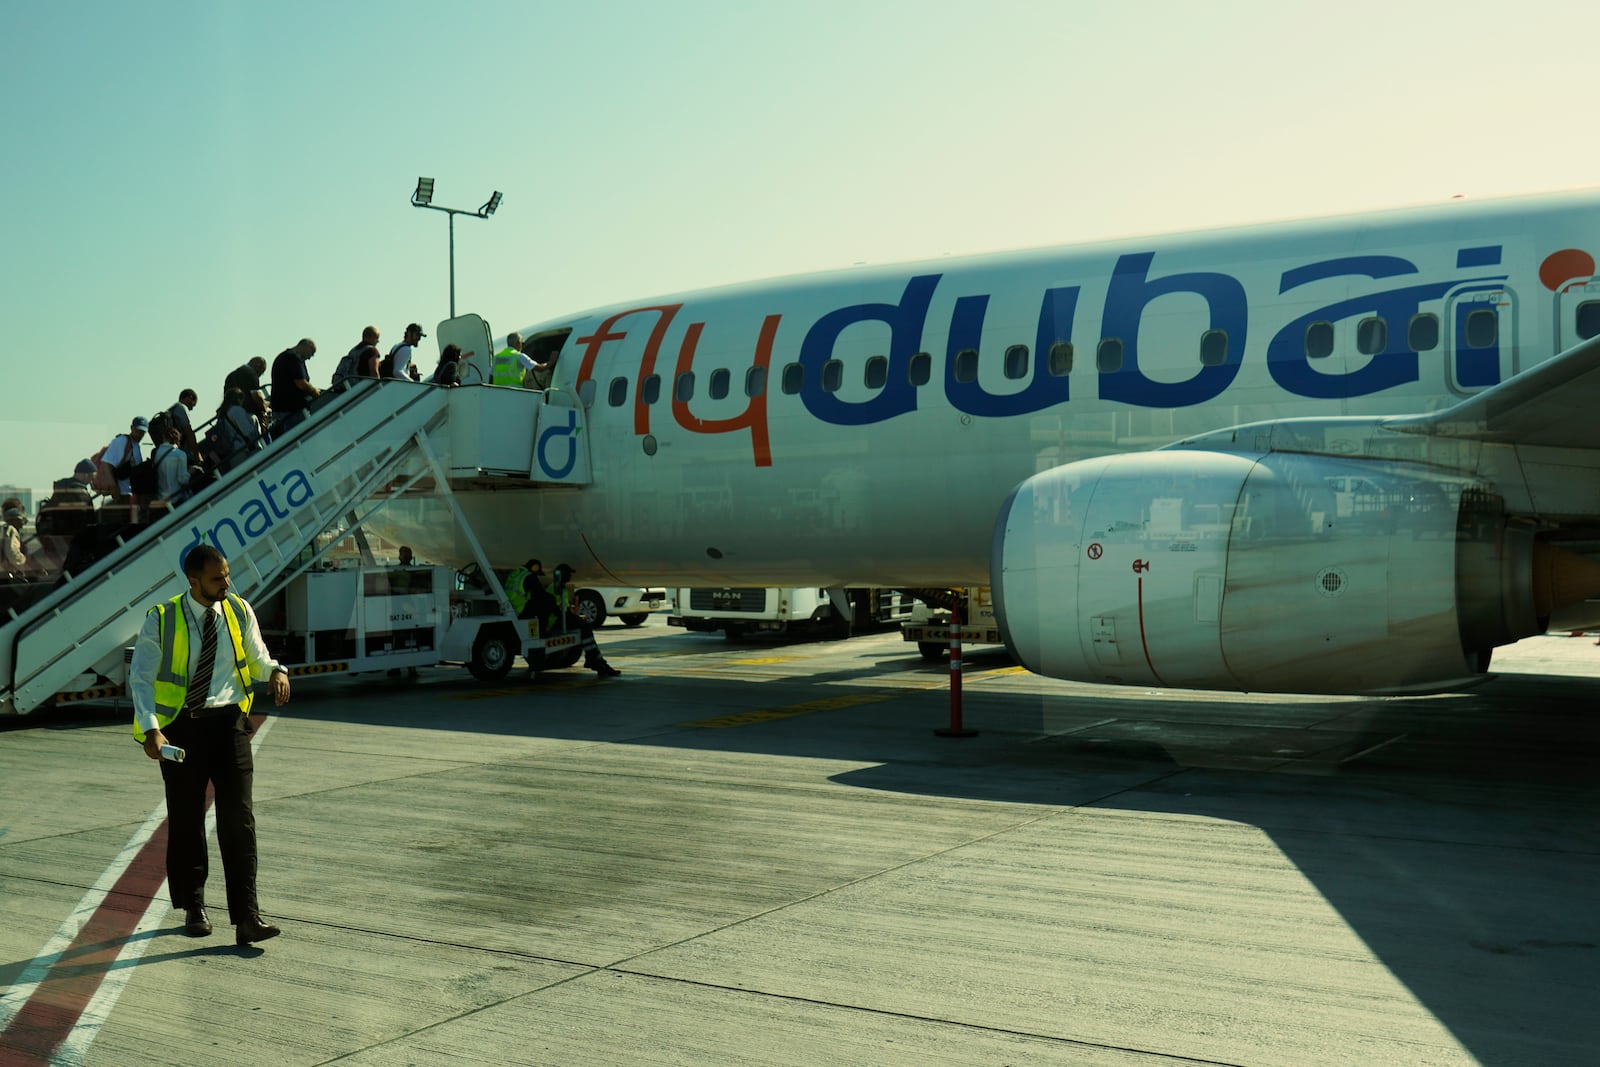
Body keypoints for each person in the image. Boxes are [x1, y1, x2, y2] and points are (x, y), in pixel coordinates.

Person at [130, 544, 290, 946]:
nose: (226, 582)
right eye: (217, 577)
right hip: (182, 728)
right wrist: (152, 729)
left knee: (239, 820)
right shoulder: (162, 619)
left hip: (230, 724)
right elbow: (142, 679)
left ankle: (247, 916)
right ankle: (194, 905)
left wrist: (274, 671)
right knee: (186, 819)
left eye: (227, 574)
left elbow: (257, 656)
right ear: (193, 580)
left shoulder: (237, 610)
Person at [547, 563, 620, 677]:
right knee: (585, 628)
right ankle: (595, 660)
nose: (570, 577)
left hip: (561, 619)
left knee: (584, 627)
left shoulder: (562, 589)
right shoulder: (555, 589)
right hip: (555, 621)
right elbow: (555, 610)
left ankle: (596, 660)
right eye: (568, 574)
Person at [98, 416, 149, 525]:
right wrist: (114, 487)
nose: (139, 434)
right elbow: (107, 464)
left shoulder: (135, 445)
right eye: (137, 431)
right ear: (131, 428)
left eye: (142, 432)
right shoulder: (122, 441)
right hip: (122, 493)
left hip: (130, 493)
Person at [270, 338, 319, 436]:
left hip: (282, 407)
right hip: (291, 409)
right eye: (312, 352)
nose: (310, 357)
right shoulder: (292, 359)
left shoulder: (284, 357)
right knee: (299, 437)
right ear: (305, 346)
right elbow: (301, 383)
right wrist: (315, 392)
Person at [2, 499, 30, 578]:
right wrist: (29, 563)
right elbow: (13, 556)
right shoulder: (10, 532)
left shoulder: (5, 533)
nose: (22, 525)